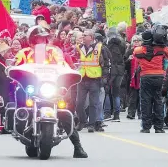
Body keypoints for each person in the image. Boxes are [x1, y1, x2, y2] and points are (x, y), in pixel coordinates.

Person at [14, 25, 88, 158]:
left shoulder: (55, 52)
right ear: (32, 40)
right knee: (19, 92)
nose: (41, 41)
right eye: (38, 39)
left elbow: (62, 65)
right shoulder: (24, 52)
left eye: (43, 39)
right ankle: (20, 119)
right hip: (32, 89)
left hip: (50, 88)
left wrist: (71, 72)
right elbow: (16, 65)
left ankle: (78, 147)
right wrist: (13, 71)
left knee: (65, 113)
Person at [74, 29, 110, 133]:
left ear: (91, 37)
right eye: (82, 35)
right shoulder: (79, 48)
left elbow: (106, 64)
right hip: (82, 78)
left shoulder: (100, 48)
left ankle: (92, 124)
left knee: (93, 103)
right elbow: (75, 61)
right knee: (79, 103)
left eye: (85, 35)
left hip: (94, 79)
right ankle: (82, 121)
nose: (83, 37)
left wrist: (105, 77)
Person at [139, 28, 168, 133]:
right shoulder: (161, 49)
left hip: (145, 77)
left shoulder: (138, 50)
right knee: (158, 101)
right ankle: (159, 127)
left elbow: (136, 56)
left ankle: (146, 127)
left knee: (146, 101)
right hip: (159, 76)